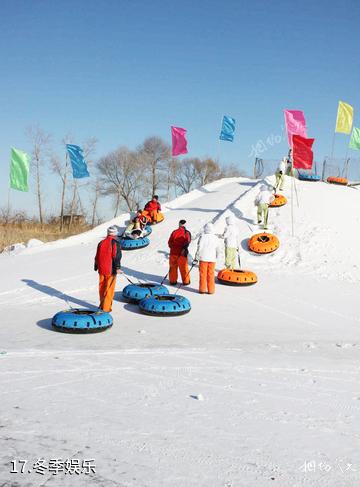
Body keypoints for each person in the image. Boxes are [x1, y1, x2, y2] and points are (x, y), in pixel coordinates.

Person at [94, 226, 122, 312]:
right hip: (111, 270)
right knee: (109, 289)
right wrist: (117, 267)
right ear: (115, 234)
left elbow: (97, 255)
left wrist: (96, 265)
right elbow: (116, 256)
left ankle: (102, 305)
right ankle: (106, 308)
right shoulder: (115, 243)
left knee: (102, 287)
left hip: (101, 269)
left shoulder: (101, 243)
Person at [194, 223, 220, 294]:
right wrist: (216, 257)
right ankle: (211, 290)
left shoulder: (203, 237)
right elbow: (218, 249)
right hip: (212, 259)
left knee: (203, 274)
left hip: (203, 258)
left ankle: (202, 289)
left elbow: (199, 247)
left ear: (205, 228)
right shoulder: (215, 238)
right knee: (211, 274)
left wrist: (197, 256)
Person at [168, 219, 191, 285]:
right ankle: (186, 281)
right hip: (182, 253)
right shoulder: (186, 232)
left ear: (179, 224)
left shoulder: (174, 232)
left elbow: (169, 242)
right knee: (183, 267)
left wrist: (173, 248)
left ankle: (172, 281)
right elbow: (188, 241)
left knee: (173, 267)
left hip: (173, 253)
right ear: (185, 225)